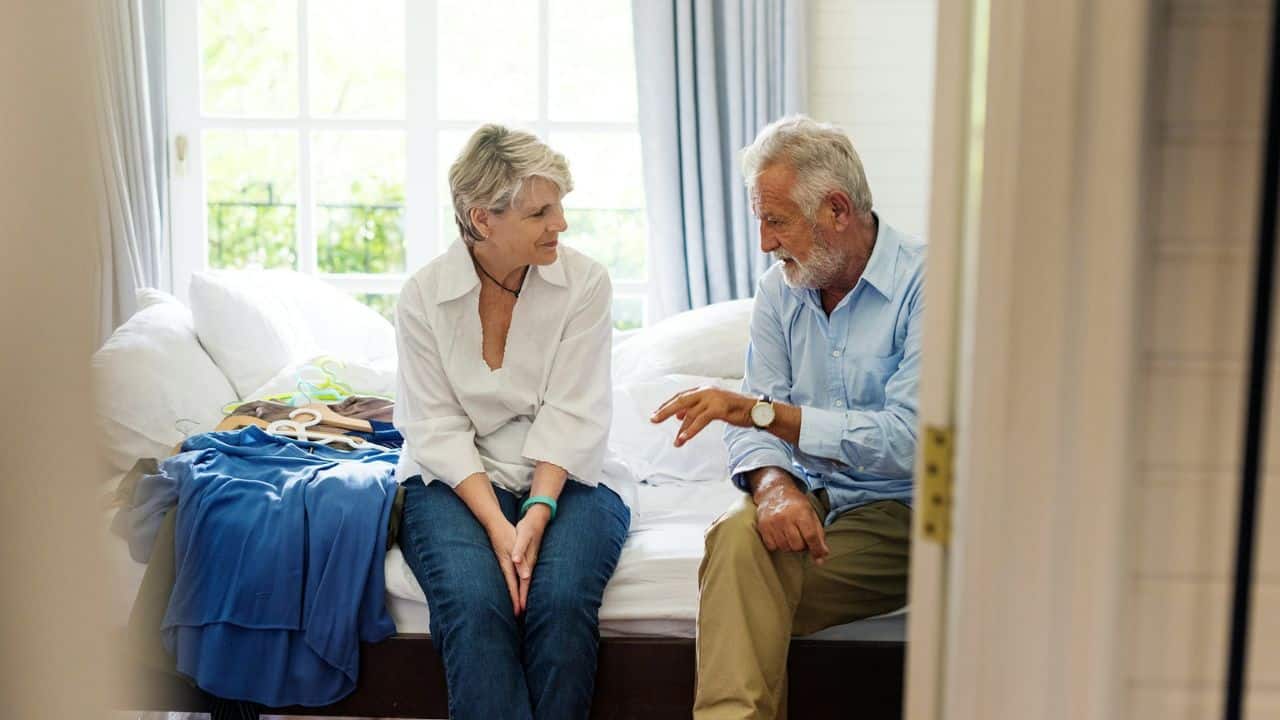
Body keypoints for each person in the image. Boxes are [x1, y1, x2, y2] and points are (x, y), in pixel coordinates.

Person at [650, 115, 924, 719]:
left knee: (741, 589)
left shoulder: (927, 284)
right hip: (814, 495)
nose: (765, 243)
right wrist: (774, 487)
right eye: (761, 222)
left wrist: (763, 415)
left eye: (776, 222)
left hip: (905, 514)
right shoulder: (781, 289)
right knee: (737, 534)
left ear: (836, 210)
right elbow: (756, 425)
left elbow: (910, 442)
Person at [394, 124, 633, 720]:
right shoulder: (422, 297)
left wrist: (536, 511)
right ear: (482, 219)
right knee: (475, 605)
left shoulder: (585, 283)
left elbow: (573, 411)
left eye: (560, 207)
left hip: (569, 475)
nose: (561, 224)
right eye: (540, 212)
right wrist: (501, 530)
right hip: (454, 480)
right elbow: (437, 428)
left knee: (559, 601)